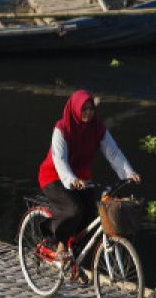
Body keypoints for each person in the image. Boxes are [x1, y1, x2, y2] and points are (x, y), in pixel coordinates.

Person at [36, 89, 141, 259]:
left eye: (91, 109)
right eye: (84, 109)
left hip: (82, 178)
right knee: (73, 210)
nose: (88, 113)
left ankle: (72, 258)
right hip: (54, 176)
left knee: (91, 214)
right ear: (75, 109)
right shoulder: (62, 128)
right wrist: (71, 180)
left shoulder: (97, 128)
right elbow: (59, 160)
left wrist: (128, 173)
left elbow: (113, 153)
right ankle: (53, 238)